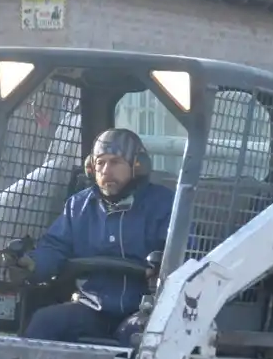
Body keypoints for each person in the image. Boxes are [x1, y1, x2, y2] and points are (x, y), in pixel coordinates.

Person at [12, 128, 175, 346]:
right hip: (91, 307)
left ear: (138, 166)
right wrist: (32, 264)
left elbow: (180, 253)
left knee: (140, 337)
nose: (106, 170)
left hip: (143, 309)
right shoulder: (77, 206)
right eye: (100, 163)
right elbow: (55, 246)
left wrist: (161, 267)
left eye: (115, 162)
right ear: (91, 168)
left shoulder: (164, 204)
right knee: (44, 322)